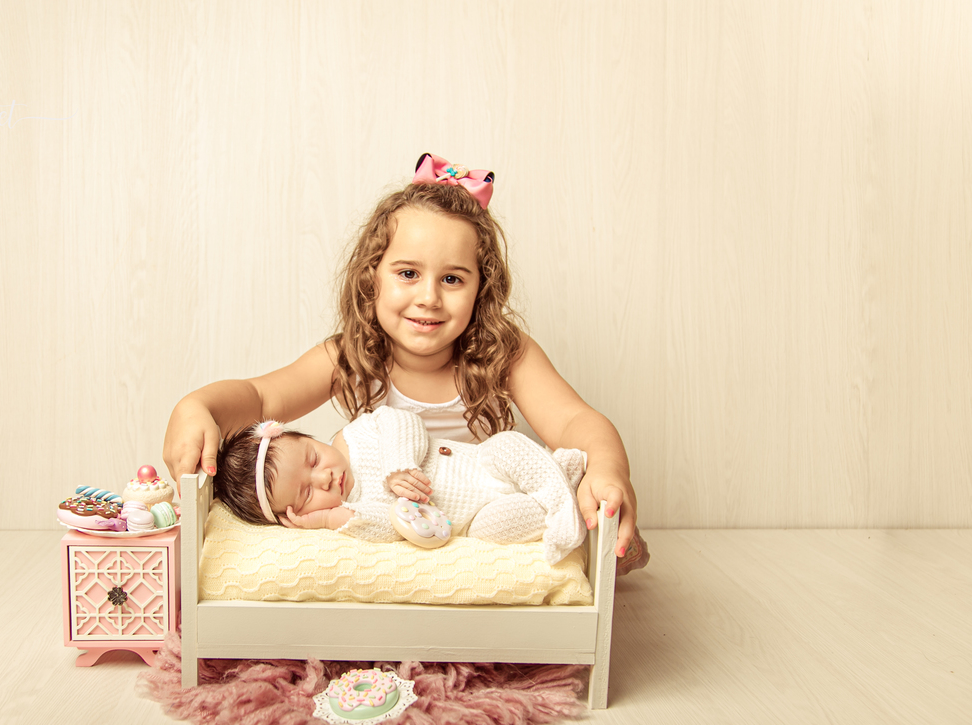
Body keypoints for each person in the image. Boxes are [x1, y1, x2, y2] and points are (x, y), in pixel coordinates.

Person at [164, 153, 648, 572]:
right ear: (373, 277)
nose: (429, 298)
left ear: (482, 288)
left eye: (453, 279)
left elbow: (574, 420)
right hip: (406, 525)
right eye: (408, 273)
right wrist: (196, 406)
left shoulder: (505, 352)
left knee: (582, 505)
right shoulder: (352, 357)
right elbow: (261, 397)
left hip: (482, 503)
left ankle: (608, 546)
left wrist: (609, 469)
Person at [213, 407, 589, 565]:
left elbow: (403, 420)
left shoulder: (357, 436)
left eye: (312, 458)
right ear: (294, 515)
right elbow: (389, 528)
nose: (324, 476)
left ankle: (555, 483)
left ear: (308, 437)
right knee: (492, 531)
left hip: (483, 465)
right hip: (476, 517)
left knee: (507, 445)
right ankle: (557, 502)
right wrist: (328, 520)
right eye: (307, 493)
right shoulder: (354, 511)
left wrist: (398, 466)